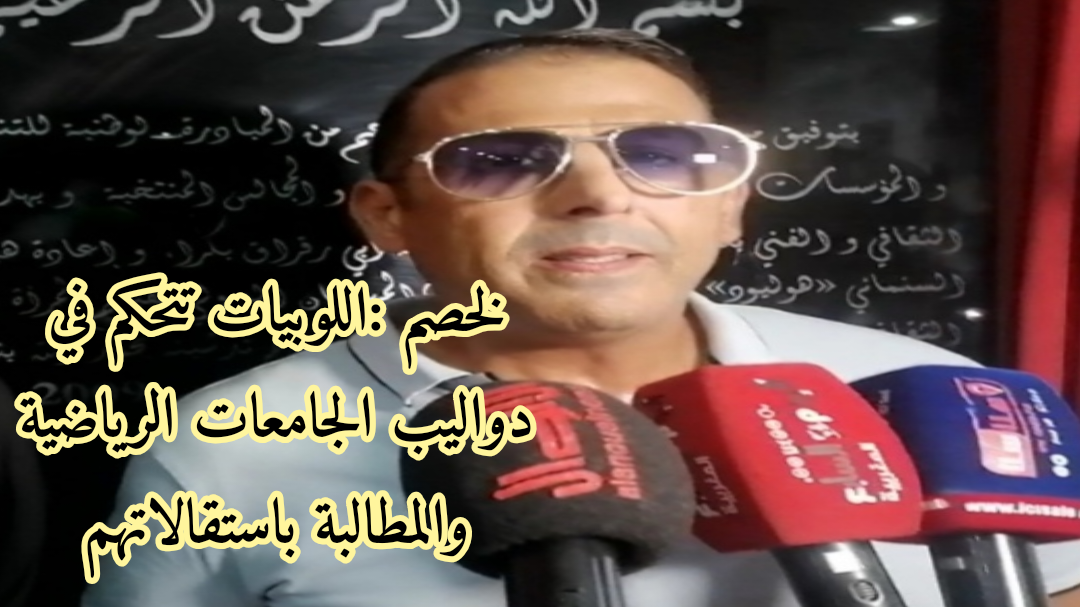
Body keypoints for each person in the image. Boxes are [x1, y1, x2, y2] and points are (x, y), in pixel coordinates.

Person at [83, 28, 1080, 607]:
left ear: (729, 206)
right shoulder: (226, 447)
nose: (599, 195)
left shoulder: (930, 391)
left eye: (664, 154)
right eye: (501, 161)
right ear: (389, 217)